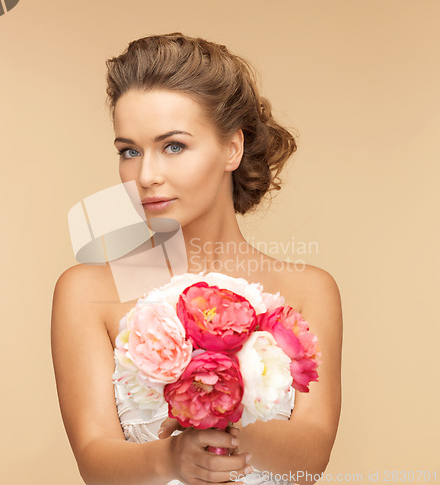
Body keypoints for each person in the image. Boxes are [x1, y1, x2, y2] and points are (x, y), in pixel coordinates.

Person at [51, 32, 342, 485]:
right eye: (129, 151)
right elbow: (94, 461)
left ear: (232, 148)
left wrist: (228, 432)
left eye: (173, 146)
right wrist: (172, 459)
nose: (145, 175)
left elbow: (312, 455)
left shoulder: (308, 290)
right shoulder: (88, 292)